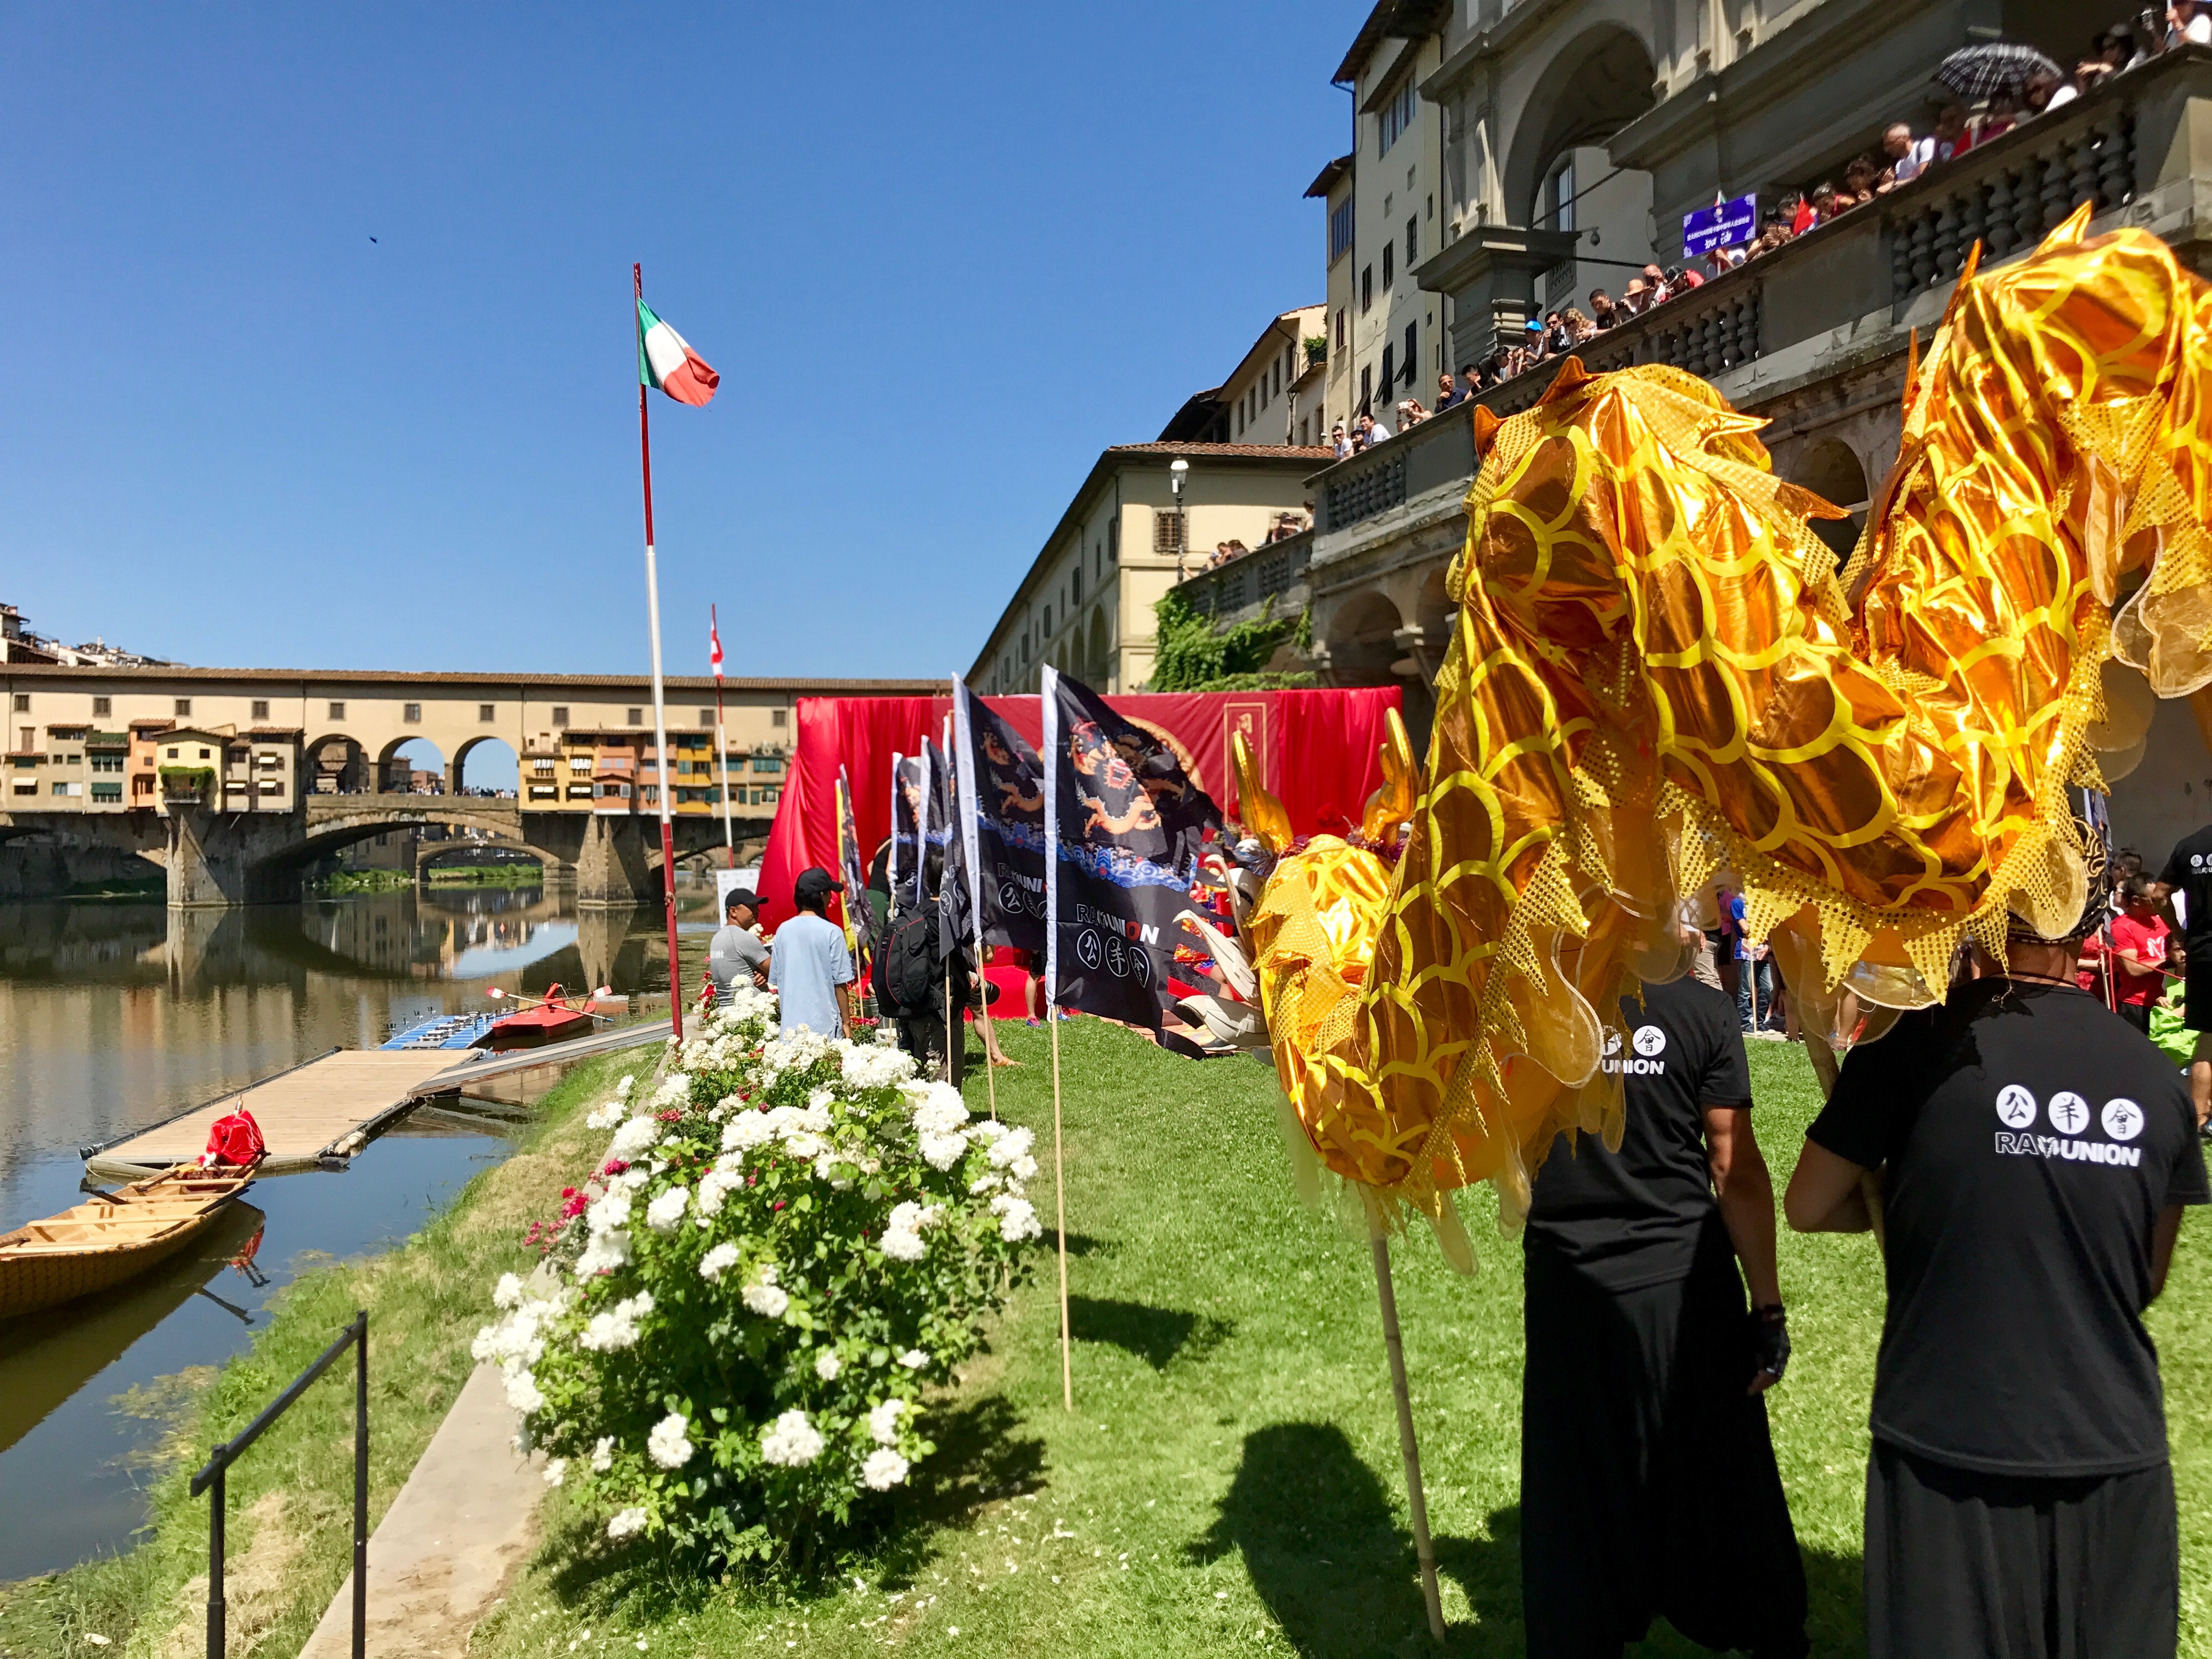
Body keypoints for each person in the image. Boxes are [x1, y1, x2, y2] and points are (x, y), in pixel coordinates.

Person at [1785, 851, 2205, 1659]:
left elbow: (1808, 1205)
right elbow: (2144, 1278)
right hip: (2113, 1451)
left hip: (1948, 1441)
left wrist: (1910, 1209)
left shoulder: (1912, 1044)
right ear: (2092, 926)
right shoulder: (2157, 1080)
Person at [1520, 970, 1807, 1658]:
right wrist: (1766, 1304)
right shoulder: (1701, 1010)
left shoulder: (1535, 1003)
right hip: (1676, 1282)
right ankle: (1757, 1624)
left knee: (1584, 1481)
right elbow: (1732, 1162)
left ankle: (1590, 1624)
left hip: (1581, 1283)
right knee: (1715, 1467)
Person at [2160, 823, 2212, 1126]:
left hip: (2203, 952)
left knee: (2207, 1039)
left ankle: (2198, 1118)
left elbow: (2159, 894)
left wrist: (2178, 933)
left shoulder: (2190, 844)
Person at [769, 867, 854, 1037]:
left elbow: (776, 980)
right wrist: (846, 1023)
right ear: (822, 896)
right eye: (829, 893)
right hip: (825, 1029)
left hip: (790, 1030)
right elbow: (840, 984)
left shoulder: (783, 931)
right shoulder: (832, 932)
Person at [2106, 872, 2174, 1034]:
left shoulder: (2161, 921)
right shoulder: (2122, 926)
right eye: (2153, 900)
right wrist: (2167, 961)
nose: (2158, 904)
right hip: (2137, 1005)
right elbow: (2132, 968)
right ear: (2136, 900)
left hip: (2167, 1002)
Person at [708, 888, 770, 998]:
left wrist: (761, 973)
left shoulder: (716, 938)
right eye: (751, 907)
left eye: (757, 907)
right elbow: (777, 970)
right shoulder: (743, 937)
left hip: (726, 1009)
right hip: (751, 1010)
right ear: (733, 911)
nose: (757, 911)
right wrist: (766, 973)